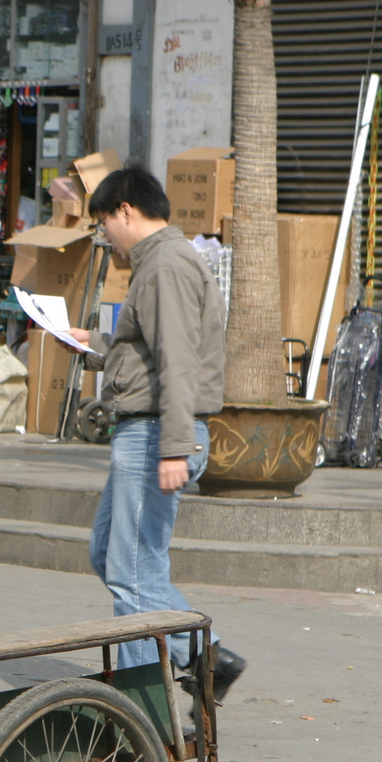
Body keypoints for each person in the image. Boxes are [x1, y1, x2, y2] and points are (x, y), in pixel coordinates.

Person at [68, 165, 245, 700]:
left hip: (155, 435)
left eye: (104, 225)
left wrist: (173, 446)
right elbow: (145, 355)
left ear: (126, 210)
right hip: (148, 431)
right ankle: (205, 653)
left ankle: (140, 700)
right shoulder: (160, 264)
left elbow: (178, 362)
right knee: (111, 555)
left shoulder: (165, 264)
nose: (106, 239)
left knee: (133, 572)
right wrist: (93, 343)